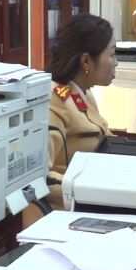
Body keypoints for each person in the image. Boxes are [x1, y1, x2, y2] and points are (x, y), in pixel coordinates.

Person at [43, 13, 117, 211]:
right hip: (70, 210)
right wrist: (88, 188)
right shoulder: (54, 100)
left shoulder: (84, 93)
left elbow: (108, 141)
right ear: (86, 61)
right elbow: (41, 175)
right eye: (112, 54)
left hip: (97, 199)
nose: (116, 62)